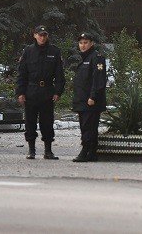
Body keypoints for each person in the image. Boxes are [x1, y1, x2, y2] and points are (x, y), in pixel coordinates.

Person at [16, 25, 65, 160]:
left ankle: (48, 151)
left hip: (47, 91)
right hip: (31, 90)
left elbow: (59, 75)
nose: (42, 38)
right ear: (35, 35)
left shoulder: (54, 51)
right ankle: (31, 150)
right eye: (40, 35)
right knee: (30, 122)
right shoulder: (28, 51)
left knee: (47, 122)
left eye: (44, 35)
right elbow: (22, 74)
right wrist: (20, 92)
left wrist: (58, 92)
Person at [71, 32, 107, 163]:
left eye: (86, 42)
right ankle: (91, 153)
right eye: (81, 43)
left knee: (88, 127)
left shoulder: (96, 57)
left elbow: (98, 79)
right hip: (82, 100)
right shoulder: (83, 58)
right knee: (87, 126)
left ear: (91, 43)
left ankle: (85, 151)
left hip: (90, 101)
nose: (83, 45)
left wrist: (93, 96)